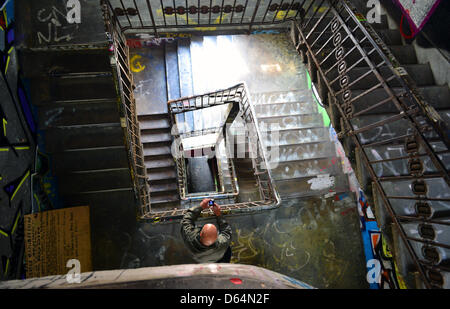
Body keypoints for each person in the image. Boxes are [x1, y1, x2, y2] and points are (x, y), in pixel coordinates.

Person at [180, 198, 232, 263]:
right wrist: (218, 214)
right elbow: (226, 230)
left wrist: (201, 206)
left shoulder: (190, 239)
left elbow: (186, 220)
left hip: (200, 260)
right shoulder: (223, 243)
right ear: (217, 237)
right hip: (218, 258)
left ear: (200, 234)